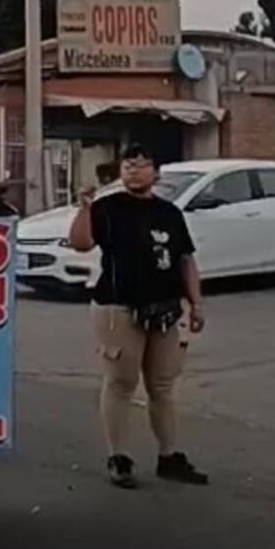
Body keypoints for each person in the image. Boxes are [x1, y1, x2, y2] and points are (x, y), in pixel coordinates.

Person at [68, 144, 207, 490]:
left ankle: (169, 456)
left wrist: (196, 303)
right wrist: (84, 209)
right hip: (118, 308)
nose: (134, 170)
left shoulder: (169, 213)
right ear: (121, 172)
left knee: (162, 385)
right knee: (120, 384)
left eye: (143, 165)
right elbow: (80, 244)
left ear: (156, 173)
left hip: (164, 309)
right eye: (129, 165)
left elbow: (185, 259)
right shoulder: (108, 208)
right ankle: (119, 457)